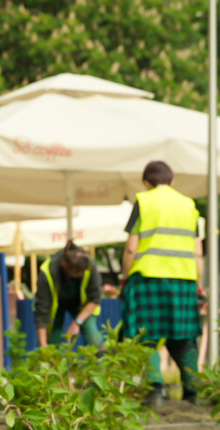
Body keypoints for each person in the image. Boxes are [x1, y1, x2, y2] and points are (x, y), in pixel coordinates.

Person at [120, 160, 205, 407]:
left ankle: (155, 388)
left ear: (146, 182)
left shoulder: (144, 202)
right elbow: (198, 252)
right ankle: (193, 392)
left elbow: (131, 248)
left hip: (148, 279)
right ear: (173, 181)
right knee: (184, 335)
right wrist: (199, 286)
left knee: (144, 334)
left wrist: (125, 280)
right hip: (185, 281)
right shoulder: (189, 205)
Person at [34, 241, 104, 348]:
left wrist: (77, 323)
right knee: (52, 341)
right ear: (64, 265)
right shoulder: (46, 272)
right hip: (55, 308)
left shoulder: (88, 265)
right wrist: (44, 348)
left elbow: (95, 299)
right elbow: (41, 313)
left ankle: (102, 360)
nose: (80, 275)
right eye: (77, 273)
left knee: (93, 337)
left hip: (82, 305)